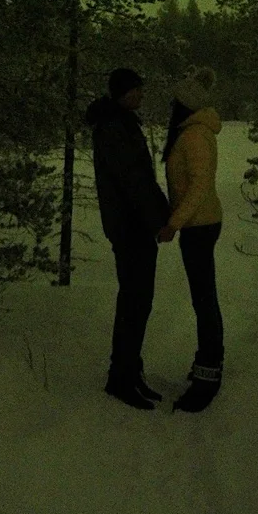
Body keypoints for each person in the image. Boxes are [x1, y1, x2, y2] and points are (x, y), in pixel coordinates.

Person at [86, 67, 171, 410]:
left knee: (137, 300)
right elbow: (134, 181)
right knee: (135, 301)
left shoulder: (120, 123)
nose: (140, 95)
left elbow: (139, 179)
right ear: (122, 93)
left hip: (131, 226)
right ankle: (121, 377)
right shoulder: (114, 127)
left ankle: (129, 371)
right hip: (130, 227)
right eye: (135, 90)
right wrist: (160, 219)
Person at [160, 66, 225, 412]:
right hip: (197, 225)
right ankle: (207, 362)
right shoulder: (191, 132)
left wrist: (174, 223)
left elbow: (199, 185)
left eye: (176, 102)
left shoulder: (195, 135)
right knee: (203, 298)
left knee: (204, 300)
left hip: (199, 226)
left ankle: (208, 374)